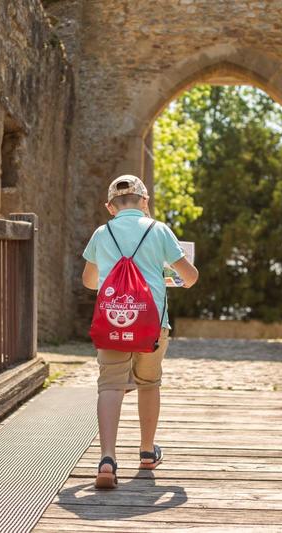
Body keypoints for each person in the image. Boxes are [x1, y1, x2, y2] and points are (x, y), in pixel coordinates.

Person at [82, 174, 198, 489]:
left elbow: (89, 281)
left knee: (110, 385)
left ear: (110, 207)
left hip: (112, 322)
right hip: (152, 324)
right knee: (149, 383)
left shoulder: (101, 233)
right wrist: (166, 274)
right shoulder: (159, 230)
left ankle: (107, 459)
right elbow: (189, 277)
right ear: (145, 202)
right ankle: (147, 452)